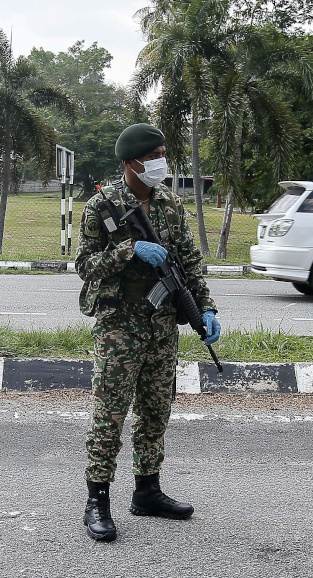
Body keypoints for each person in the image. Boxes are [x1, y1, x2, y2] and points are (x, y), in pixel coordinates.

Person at [75, 122, 222, 543]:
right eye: (153, 155)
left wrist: (206, 310)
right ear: (129, 163)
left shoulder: (171, 205)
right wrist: (128, 250)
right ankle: (97, 500)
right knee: (111, 413)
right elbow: (84, 266)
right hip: (119, 326)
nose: (161, 162)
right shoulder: (101, 207)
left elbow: (190, 263)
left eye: (162, 153)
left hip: (161, 326)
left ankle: (147, 491)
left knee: (156, 410)